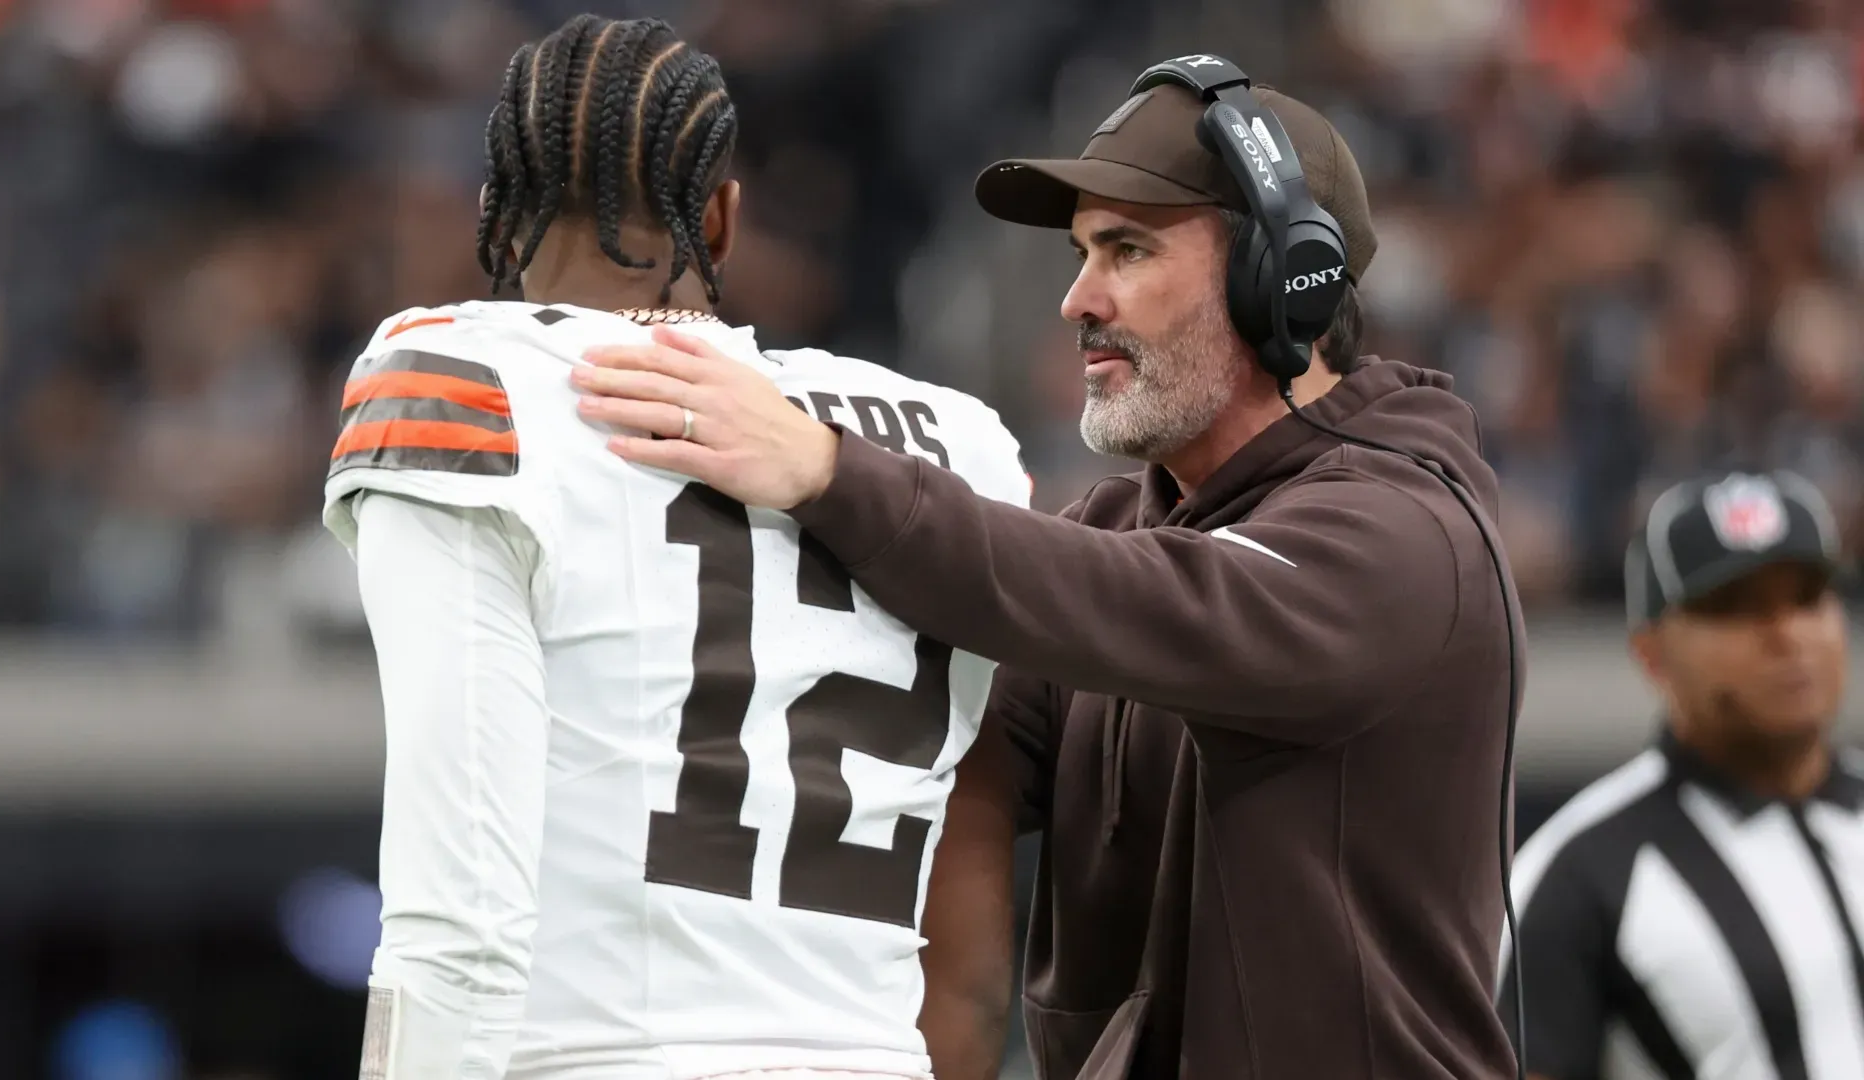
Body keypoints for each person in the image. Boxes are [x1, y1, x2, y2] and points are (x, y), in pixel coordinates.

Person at [569, 58, 1525, 1079]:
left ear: (1279, 278)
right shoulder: (1118, 531)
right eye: (1081, 254)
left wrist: (826, 469)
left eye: (1127, 250)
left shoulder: (1402, 533)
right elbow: (916, 730)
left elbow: (1136, 601)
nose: (1076, 299)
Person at [322, 15, 1028, 1080]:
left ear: (493, 213)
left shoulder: (464, 380)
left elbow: (455, 910)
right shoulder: (955, 439)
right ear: (722, 216)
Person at [1499, 470, 1864, 1080]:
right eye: (1736, 607)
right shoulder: (1578, 875)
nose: (1786, 634)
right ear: (1652, 652)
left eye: (1806, 598)